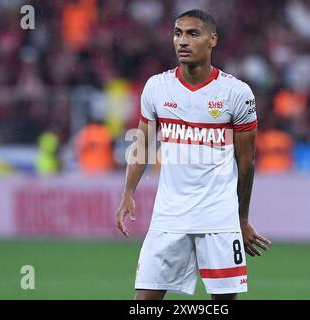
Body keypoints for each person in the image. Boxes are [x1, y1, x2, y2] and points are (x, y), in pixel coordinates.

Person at [116, 9, 271, 300]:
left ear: (213, 40)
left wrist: (241, 219)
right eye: (178, 33)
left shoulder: (236, 93)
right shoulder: (157, 87)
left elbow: (247, 163)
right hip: (168, 218)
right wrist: (128, 191)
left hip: (219, 220)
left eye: (192, 34)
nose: (182, 41)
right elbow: (143, 145)